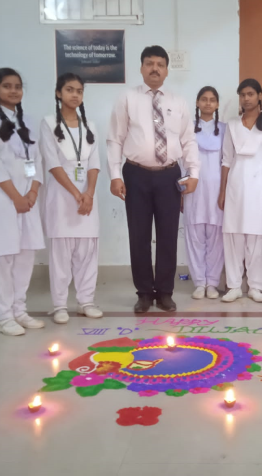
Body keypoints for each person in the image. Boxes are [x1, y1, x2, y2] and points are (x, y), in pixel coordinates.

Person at [107, 46, 199, 313]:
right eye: (149, 63)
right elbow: (115, 139)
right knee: (139, 236)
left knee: (168, 235)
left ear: (167, 70)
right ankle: (145, 293)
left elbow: (188, 140)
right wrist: (115, 175)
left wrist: (193, 173)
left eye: (160, 64)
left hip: (169, 175)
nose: (155, 68)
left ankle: (165, 292)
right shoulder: (127, 98)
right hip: (136, 174)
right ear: (141, 68)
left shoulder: (178, 101)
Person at [0, 68, 46, 336]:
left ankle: (19, 310)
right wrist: (16, 197)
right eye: (6, 86)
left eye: (17, 86)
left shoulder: (27, 120)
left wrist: (33, 193)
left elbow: (37, 160)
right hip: (2, 198)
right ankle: (3, 317)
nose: (13, 91)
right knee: (3, 258)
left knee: (26, 255)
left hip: (28, 198)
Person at [40, 73, 103, 324]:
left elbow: (94, 164)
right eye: (69, 90)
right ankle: (60, 305)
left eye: (79, 91)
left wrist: (89, 194)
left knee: (87, 252)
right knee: (61, 256)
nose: (75, 95)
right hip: (61, 197)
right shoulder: (48, 124)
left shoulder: (90, 126)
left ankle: (86, 301)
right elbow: (53, 165)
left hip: (87, 198)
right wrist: (77, 194)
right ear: (59, 93)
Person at [218, 79, 262, 303]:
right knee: (233, 234)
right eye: (242, 95)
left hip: (260, 183)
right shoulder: (232, 124)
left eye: (250, 94)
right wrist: (222, 190)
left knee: (257, 235)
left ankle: (256, 286)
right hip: (235, 184)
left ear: (259, 96)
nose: (246, 98)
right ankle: (233, 285)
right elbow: (226, 159)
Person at [184, 86, 225, 300]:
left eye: (212, 100)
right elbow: (182, 161)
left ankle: (212, 283)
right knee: (195, 235)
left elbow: (228, 161)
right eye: (204, 99)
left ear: (217, 104)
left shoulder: (225, 129)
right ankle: (199, 282)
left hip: (217, 189)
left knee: (216, 237)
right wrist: (180, 191)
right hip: (194, 189)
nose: (208, 103)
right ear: (197, 103)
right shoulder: (187, 128)